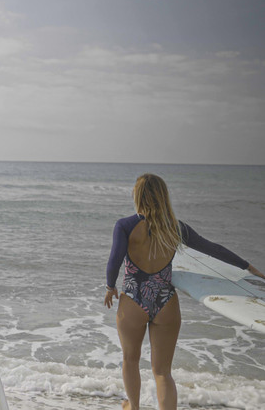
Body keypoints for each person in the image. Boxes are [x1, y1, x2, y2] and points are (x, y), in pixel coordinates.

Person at [104, 173, 264, 410]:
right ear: (163, 196)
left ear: (137, 196)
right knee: (162, 372)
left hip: (134, 300)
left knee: (130, 360)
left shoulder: (125, 226)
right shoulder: (177, 228)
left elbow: (114, 261)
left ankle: (133, 407)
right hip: (165, 303)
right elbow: (213, 249)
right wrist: (247, 266)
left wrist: (110, 287)